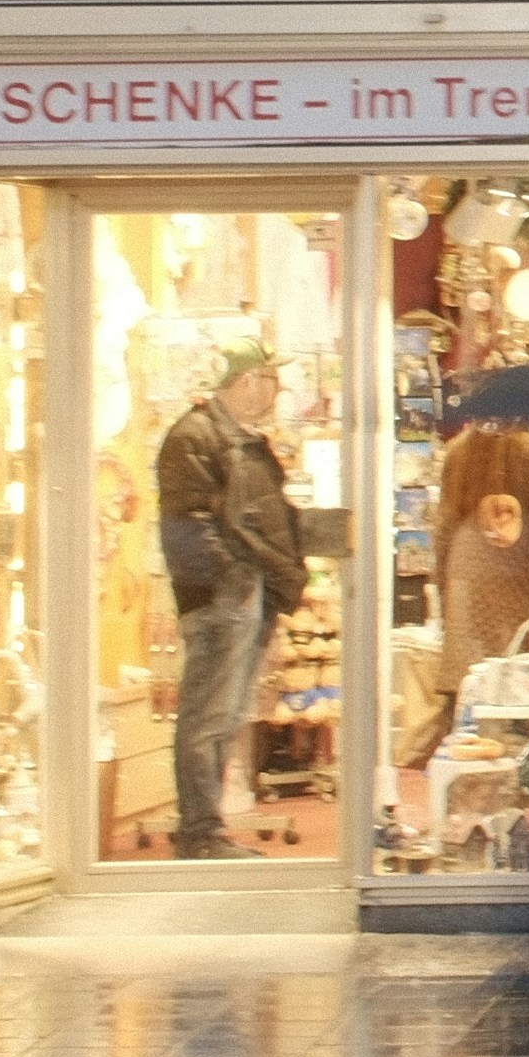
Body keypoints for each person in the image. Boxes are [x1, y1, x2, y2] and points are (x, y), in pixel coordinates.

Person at [147, 345, 301, 856]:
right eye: (267, 378)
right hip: (223, 599)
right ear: (244, 381)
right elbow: (186, 526)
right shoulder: (196, 437)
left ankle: (205, 828)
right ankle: (200, 832)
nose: (274, 389)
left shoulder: (232, 438)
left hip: (240, 595)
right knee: (210, 717)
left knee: (225, 716)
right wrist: (231, 582)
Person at [408, 414, 529, 770]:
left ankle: (465, 766)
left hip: (466, 563)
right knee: (519, 674)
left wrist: (443, 584)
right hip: (515, 567)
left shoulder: (458, 450)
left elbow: (443, 525)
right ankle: (522, 768)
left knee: (472, 678)